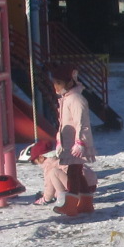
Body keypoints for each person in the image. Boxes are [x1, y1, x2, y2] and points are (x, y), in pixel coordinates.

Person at [43, 66, 97, 216]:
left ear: (68, 83)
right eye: (54, 82)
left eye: (58, 83)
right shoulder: (67, 99)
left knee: (73, 173)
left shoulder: (76, 99)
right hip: (69, 142)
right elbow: (64, 122)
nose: (55, 86)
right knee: (77, 173)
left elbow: (82, 122)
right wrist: (60, 141)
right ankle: (86, 204)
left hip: (76, 143)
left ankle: (71, 204)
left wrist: (81, 142)